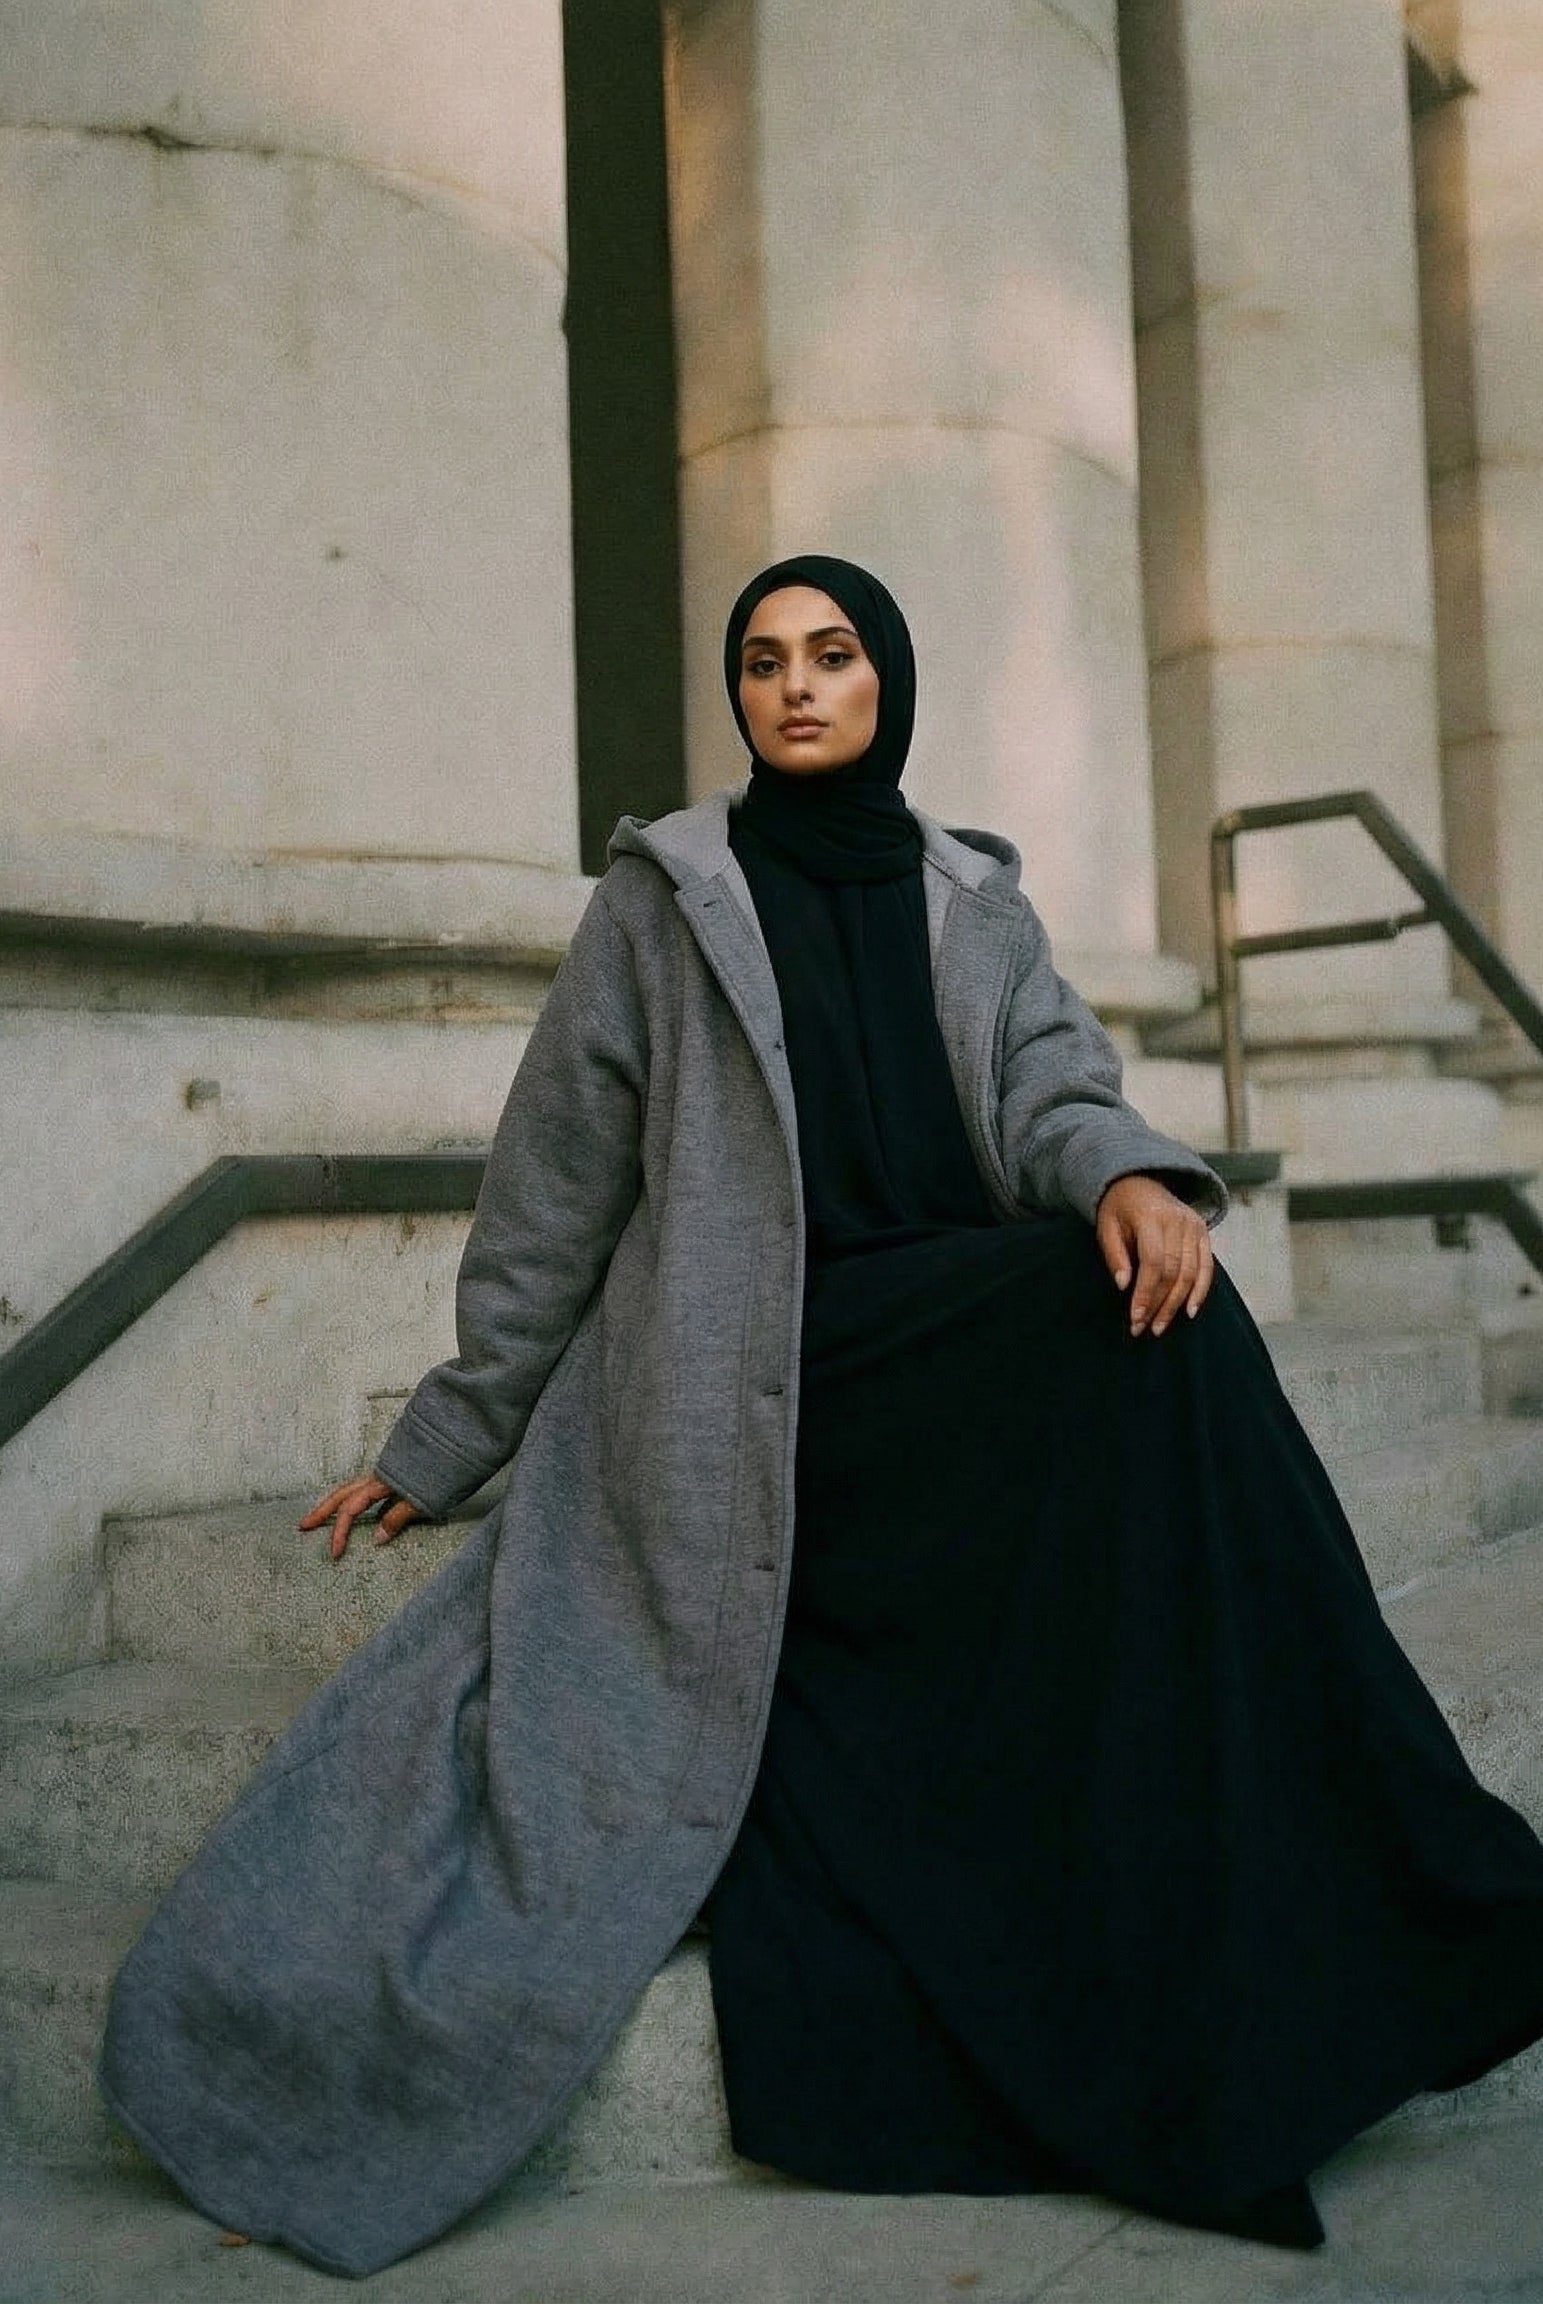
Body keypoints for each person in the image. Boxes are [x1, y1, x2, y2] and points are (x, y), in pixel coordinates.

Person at [101, 556, 1543, 2277]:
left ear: (889, 681)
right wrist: (444, 1443)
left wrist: (1134, 1178)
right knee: (1138, 1359)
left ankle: (1385, 1851)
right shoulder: (663, 902)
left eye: (834, 656)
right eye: (765, 661)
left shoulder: (971, 896)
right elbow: (552, 1190)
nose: (797, 687)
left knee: (1176, 1332)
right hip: (746, 1379)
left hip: (935, 1351)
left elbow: (1050, 1085)